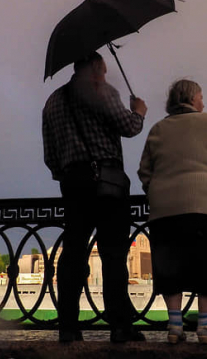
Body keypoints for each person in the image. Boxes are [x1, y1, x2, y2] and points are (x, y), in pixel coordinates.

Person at [42, 51, 148, 343]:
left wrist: (68, 174)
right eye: (103, 70)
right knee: (113, 254)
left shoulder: (52, 102)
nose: (105, 75)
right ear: (95, 68)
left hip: (72, 185)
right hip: (108, 185)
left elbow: (50, 156)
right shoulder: (102, 91)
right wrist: (138, 110)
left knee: (73, 254)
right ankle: (120, 326)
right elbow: (129, 128)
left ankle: (68, 327)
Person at [137, 79, 207, 344]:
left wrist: (157, 191)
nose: (203, 102)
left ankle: (175, 328)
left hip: (164, 211)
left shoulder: (158, 129)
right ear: (192, 99)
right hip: (203, 207)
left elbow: (144, 171)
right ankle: (205, 328)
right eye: (201, 97)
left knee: (171, 268)